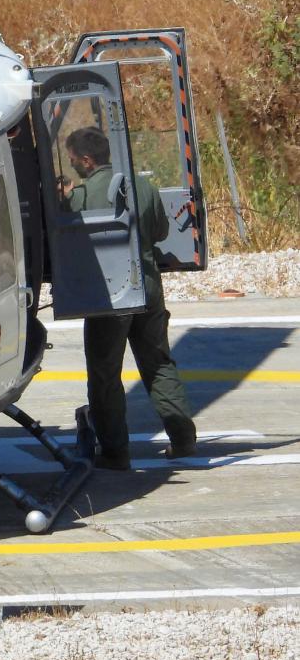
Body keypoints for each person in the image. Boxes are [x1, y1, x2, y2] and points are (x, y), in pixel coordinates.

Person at [61, 127, 198, 469]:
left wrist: (65, 198)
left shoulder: (82, 196)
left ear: (87, 161)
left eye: (73, 159)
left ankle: (115, 452)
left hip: (110, 294)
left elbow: (68, 239)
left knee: (105, 375)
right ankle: (183, 438)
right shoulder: (142, 186)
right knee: (158, 363)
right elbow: (161, 231)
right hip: (148, 287)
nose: (72, 164)